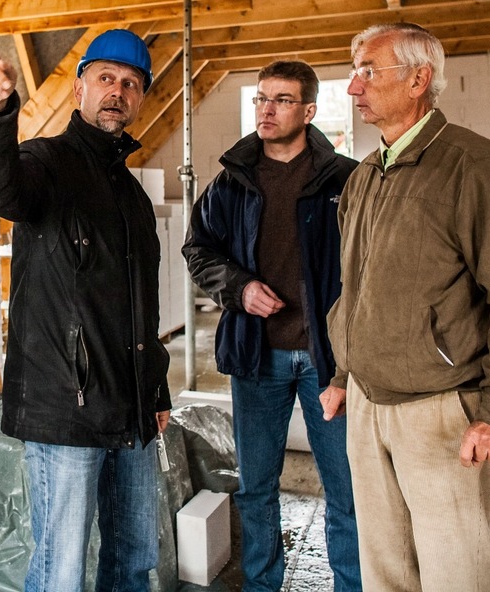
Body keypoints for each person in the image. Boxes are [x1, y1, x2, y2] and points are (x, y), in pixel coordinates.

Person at [320, 22, 490, 592]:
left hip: (440, 406)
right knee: (385, 566)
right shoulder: (363, 177)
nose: (354, 88)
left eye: (368, 72)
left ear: (418, 79)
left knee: (452, 568)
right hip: (369, 404)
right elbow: (356, 289)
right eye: (355, 72)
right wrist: (344, 372)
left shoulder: (471, 164)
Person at [0, 25, 172, 592]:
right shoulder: (47, 164)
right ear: (80, 87)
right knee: (62, 570)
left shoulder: (131, 196)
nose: (118, 91)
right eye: (106, 77)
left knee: (132, 560)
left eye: (131, 84)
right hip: (67, 412)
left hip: (130, 409)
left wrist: (156, 393)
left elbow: (142, 312)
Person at [182, 61, 361, 592]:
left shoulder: (345, 179)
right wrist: (239, 287)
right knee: (256, 488)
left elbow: (371, 265)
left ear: (308, 111)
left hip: (329, 364)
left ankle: (350, 584)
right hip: (258, 358)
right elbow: (199, 250)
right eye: (261, 98)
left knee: (346, 490)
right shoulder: (232, 183)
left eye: (282, 100)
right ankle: (262, 585)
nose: (266, 108)